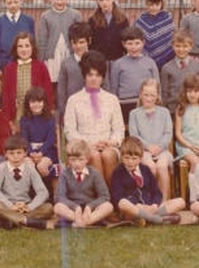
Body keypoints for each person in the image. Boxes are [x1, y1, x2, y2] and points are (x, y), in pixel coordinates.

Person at [64, 51, 124, 188]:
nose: (93, 79)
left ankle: (114, 195)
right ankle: (102, 196)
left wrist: (110, 142)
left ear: (102, 77)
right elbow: (70, 130)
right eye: (90, 75)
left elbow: (119, 129)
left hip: (108, 145)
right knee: (95, 155)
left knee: (108, 156)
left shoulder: (112, 99)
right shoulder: (73, 100)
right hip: (84, 146)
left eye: (97, 75)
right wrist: (87, 145)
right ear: (84, 76)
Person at [110, 137, 185, 226]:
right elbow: (117, 197)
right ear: (122, 157)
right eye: (127, 158)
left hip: (150, 207)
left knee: (180, 202)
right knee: (123, 203)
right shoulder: (118, 172)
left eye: (134, 158)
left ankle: (145, 219)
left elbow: (156, 192)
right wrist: (138, 205)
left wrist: (154, 205)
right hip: (133, 209)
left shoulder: (145, 170)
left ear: (140, 158)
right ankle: (157, 219)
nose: (130, 162)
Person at [0, 134, 54, 229]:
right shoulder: (1, 168)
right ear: (5, 154)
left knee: (48, 208)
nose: (15, 157)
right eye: (11, 153)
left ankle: (11, 221)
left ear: (25, 153)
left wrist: (30, 207)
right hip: (7, 205)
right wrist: (11, 206)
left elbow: (43, 192)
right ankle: (28, 222)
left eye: (19, 153)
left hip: (25, 206)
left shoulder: (30, 169)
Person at [128, 79, 174, 200]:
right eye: (146, 95)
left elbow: (168, 133)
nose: (149, 98)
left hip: (162, 150)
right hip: (144, 151)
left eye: (152, 95)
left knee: (161, 167)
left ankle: (164, 202)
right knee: (150, 167)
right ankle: (150, 200)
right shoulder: (134, 114)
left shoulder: (164, 112)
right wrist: (148, 147)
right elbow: (134, 135)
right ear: (140, 95)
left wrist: (159, 147)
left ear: (157, 96)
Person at [54, 139, 113, 228]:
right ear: (68, 160)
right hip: (72, 210)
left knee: (108, 206)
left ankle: (84, 222)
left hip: (90, 210)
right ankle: (82, 221)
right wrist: (75, 207)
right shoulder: (65, 174)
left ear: (87, 159)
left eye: (81, 160)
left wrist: (90, 206)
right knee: (58, 207)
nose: (77, 164)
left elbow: (104, 196)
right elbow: (59, 197)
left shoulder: (94, 173)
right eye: (73, 160)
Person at [38, 0, 82, 98]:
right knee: (54, 84)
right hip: (52, 56)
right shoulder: (45, 16)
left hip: (69, 53)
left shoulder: (75, 15)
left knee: (70, 82)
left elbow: (80, 37)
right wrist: (40, 61)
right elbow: (42, 41)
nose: (60, 2)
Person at [109, 26, 159, 125]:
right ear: (123, 44)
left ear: (143, 43)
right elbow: (113, 89)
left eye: (137, 43)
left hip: (146, 103)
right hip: (124, 105)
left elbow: (157, 86)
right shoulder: (118, 64)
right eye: (130, 44)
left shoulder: (150, 63)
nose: (134, 47)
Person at [1, 32, 52, 127]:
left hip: (36, 111)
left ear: (32, 47)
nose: (24, 49)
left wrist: (46, 112)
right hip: (17, 112)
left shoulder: (41, 67)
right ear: (15, 49)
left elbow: (48, 91)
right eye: (20, 46)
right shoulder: (9, 68)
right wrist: (8, 118)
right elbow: (6, 95)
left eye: (27, 46)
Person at [20, 86, 60, 199]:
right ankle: (29, 197)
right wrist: (31, 153)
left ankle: (50, 196)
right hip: (29, 151)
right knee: (29, 166)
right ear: (28, 104)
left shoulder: (50, 119)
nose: (36, 105)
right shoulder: (24, 119)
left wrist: (41, 152)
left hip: (47, 151)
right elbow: (24, 139)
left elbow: (51, 139)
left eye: (39, 101)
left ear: (44, 102)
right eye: (33, 102)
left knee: (43, 166)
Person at [160, 30, 199, 115]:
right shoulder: (166, 68)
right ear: (172, 46)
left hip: (193, 110)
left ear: (191, 46)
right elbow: (164, 93)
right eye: (178, 46)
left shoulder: (198, 66)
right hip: (173, 111)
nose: (181, 49)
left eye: (185, 46)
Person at [88, 0, 129, 75]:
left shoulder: (122, 19)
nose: (104, 3)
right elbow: (90, 44)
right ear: (97, 0)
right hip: (99, 62)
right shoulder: (92, 20)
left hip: (118, 60)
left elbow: (126, 40)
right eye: (101, 0)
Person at [0, 0, 36, 72]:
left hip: (25, 64)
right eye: (9, 2)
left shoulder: (29, 20)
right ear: (4, 2)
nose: (13, 5)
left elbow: (33, 44)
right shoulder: (0, 22)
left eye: (16, 2)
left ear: (21, 1)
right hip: (6, 65)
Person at [133, 0, 175, 70]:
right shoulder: (141, 20)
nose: (154, 8)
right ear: (146, 4)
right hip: (145, 61)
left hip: (167, 60)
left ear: (162, 4)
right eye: (151, 5)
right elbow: (137, 38)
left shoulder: (167, 18)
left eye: (157, 5)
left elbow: (172, 38)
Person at [57, 21, 94, 113]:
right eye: (74, 43)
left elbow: (106, 86)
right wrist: (64, 111)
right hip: (73, 110)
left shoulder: (97, 60)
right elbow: (61, 91)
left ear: (89, 41)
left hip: (94, 108)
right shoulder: (66, 64)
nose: (78, 46)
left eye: (82, 42)